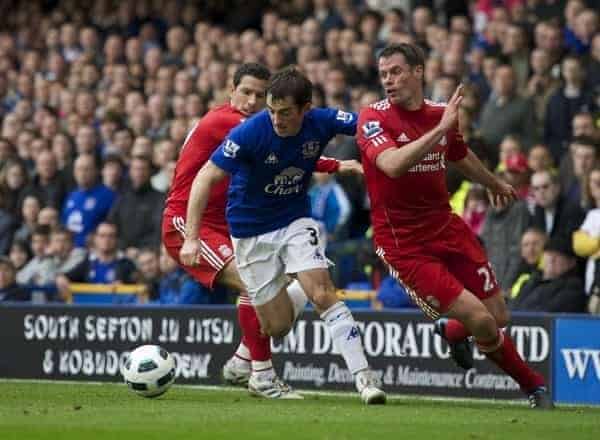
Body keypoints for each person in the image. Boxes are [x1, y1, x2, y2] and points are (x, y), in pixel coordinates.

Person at [356, 43, 552, 408]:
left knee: (498, 315)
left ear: (418, 71)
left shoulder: (436, 112)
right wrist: (440, 129)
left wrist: (492, 182)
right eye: (383, 74)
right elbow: (393, 165)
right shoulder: (372, 117)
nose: (388, 80)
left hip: (446, 226)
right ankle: (534, 387)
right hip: (403, 243)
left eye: (396, 71)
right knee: (481, 317)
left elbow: (458, 153)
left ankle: (451, 330)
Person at [180, 66, 385, 405]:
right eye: (272, 111)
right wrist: (191, 237)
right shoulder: (249, 132)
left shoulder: (323, 119)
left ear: (306, 108)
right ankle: (294, 292)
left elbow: (370, 124)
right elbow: (204, 178)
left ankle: (365, 380)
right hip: (249, 233)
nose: (277, 119)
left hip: (295, 220)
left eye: (285, 112)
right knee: (277, 327)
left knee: (323, 293)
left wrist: (414, 122)